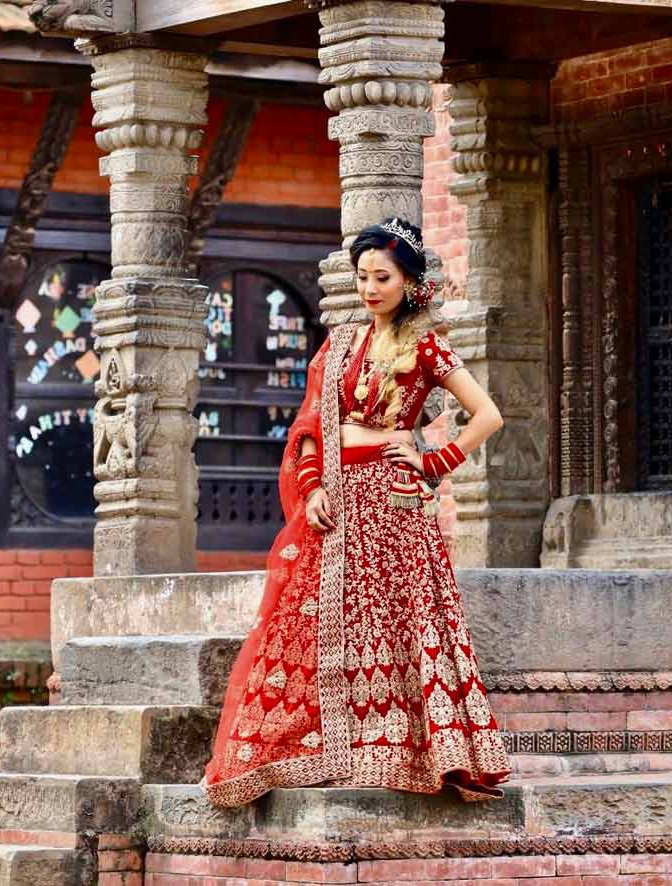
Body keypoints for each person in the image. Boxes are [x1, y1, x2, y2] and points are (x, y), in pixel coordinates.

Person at [203, 217, 511, 807]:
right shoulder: (340, 343)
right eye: (363, 276)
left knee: (394, 621)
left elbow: (488, 415)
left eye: (382, 278)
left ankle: (393, 751)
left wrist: (433, 460)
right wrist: (312, 487)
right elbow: (311, 426)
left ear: (409, 282)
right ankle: (314, 747)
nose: (370, 288)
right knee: (311, 618)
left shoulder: (426, 345)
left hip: (395, 503)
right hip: (337, 499)